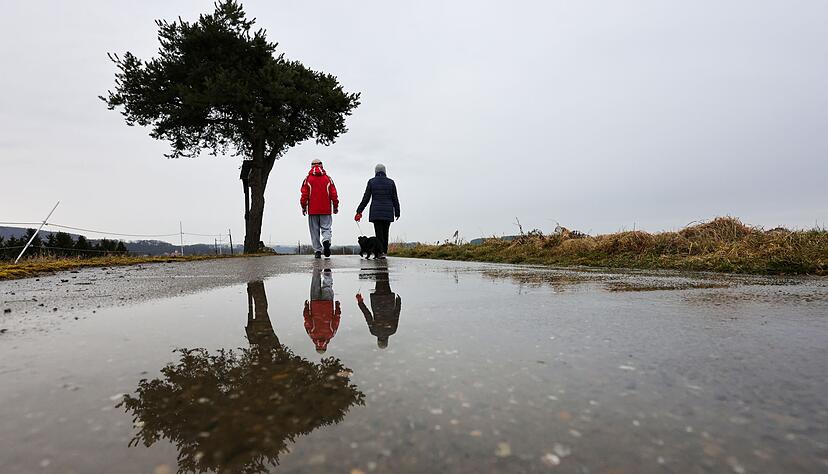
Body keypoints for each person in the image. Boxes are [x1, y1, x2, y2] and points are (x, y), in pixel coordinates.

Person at [355, 164, 400, 258]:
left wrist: (359, 211)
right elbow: (395, 198)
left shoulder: (371, 182)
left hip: (376, 212)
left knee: (378, 233)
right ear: (385, 171)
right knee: (385, 232)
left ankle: (379, 252)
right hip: (388, 211)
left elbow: (366, 198)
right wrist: (397, 211)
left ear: (375, 172)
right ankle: (384, 252)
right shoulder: (391, 182)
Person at [300, 158, 339, 258]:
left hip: (312, 210)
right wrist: (335, 206)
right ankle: (326, 240)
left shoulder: (307, 179)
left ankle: (317, 251)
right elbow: (333, 194)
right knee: (326, 228)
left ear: (311, 166)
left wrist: (304, 207)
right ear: (322, 165)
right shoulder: (328, 179)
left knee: (314, 231)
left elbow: (304, 195)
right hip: (326, 209)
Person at [356, 268, 401, 349]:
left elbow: (396, 314)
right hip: (377, 302)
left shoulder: (392, 330)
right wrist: (360, 302)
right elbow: (368, 315)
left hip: (388, 301)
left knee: (385, 281)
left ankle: (383, 265)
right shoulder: (374, 331)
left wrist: (398, 302)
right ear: (378, 341)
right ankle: (379, 265)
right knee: (379, 280)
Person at [304, 268, 341, 354]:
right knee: (315, 283)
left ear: (326, 346)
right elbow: (307, 319)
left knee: (327, 286)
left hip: (327, 304)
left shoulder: (331, 334)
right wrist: (306, 307)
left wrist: (337, 307)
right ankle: (317, 266)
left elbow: (336, 319)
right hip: (315, 303)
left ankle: (327, 273)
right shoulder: (312, 334)